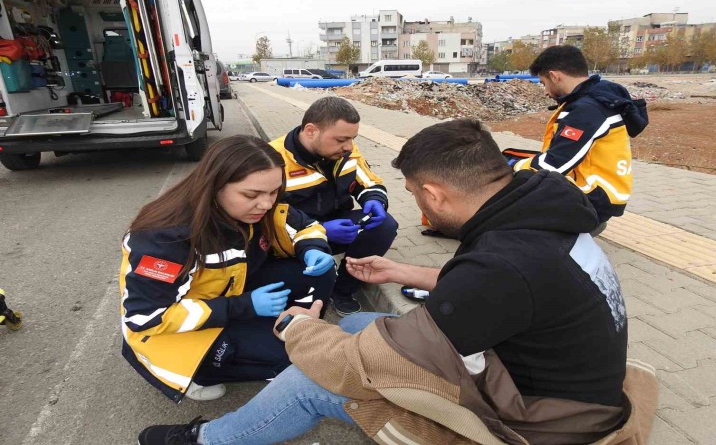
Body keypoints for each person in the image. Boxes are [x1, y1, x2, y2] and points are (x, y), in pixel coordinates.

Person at [138, 119, 657, 445]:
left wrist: (298, 329)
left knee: (313, 378)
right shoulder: (539, 218)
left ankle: (207, 440)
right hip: (555, 381)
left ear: (434, 194)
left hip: (538, 421)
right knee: (359, 323)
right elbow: (508, 289)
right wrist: (399, 271)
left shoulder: (503, 264)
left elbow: (368, 360)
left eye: (412, 194)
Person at [120, 135, 336, 403]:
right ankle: (198, 374)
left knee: (321, 271)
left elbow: (302, 224)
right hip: (176, 327)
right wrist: (243, 306)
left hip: (229, 294)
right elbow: (145, 317)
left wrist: (313, 248)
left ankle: (299, 324)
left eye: (274, 192)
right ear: (215, 185)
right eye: (251, 195)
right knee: (290, 357)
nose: (267, 204)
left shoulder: (254, 207)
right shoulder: (164, 238)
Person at [269, 96, 398, 316]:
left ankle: (342, 290)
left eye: (352, 138)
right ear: (311, 131)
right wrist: (320, 230)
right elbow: (265, 219)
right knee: (301, 279)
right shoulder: (273, 159)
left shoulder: (346, 152)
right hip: (295, 236)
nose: (348, 146)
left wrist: (375, 199)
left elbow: (368, 181)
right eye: (341, 139)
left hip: (341, 228)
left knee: (384, 225)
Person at [507, 45, 648, 231]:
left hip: (593, 198)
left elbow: (554, 165)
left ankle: (571, 228)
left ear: (555, 76)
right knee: (515, 161)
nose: (545, 92)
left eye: (543, 83)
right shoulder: (592, 98)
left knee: (508, 206)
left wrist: (511, 168)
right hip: (596, 189)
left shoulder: (587, 110)